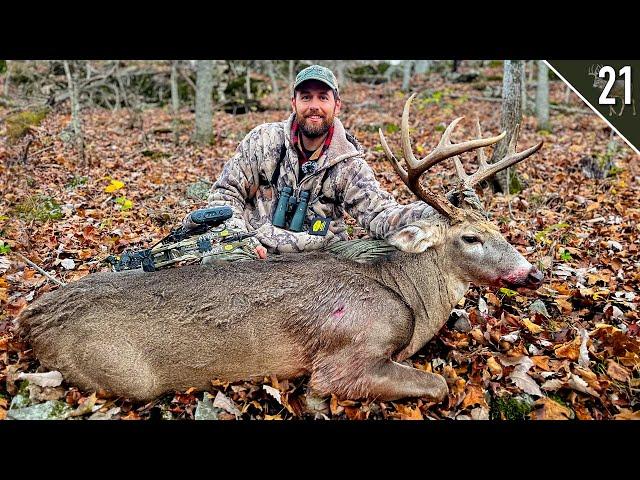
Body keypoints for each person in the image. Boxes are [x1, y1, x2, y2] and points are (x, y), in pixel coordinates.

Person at [183, 64, 458, 260]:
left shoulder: (349, 166)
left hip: (318, 267)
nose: (314, 105)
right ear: (294, 103)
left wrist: (436, 208)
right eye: (306, 97)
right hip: (255, 253)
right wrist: (238, 239)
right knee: (216, 260)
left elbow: (381, 216)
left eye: (322, 97)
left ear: (336, 106)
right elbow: (225, 193)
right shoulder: (263, 141)